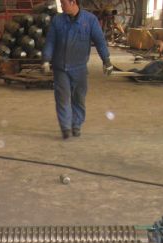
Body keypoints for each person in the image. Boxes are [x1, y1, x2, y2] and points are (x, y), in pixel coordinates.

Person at [42, 0, 114, 139]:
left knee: (78, 99)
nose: (61, 6)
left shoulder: (90, 20)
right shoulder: (58, 20)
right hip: (60, 67)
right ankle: (66, 128)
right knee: (62, 98)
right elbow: (50, 41)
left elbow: (100, 41)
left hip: (79, 68)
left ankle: (76, 125)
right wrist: (46, 58)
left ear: (73, 2)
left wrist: (106, 60)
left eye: (63, 3)